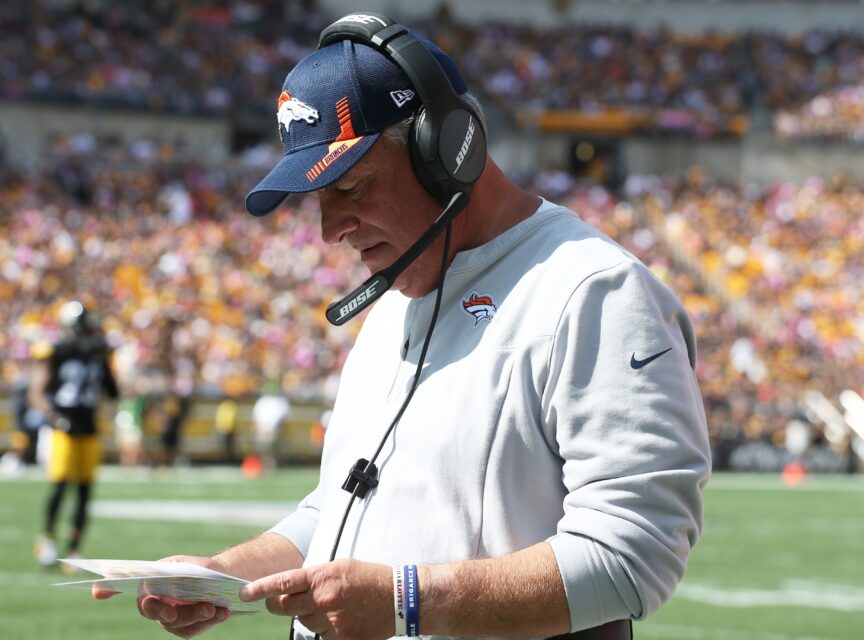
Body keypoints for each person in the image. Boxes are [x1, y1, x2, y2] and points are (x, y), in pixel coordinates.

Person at [95, 14, 710, 640]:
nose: (331, 228)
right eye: (319, 200)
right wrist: (226, 574)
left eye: (352, 187)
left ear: (446, 148)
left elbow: (636, 552)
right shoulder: (396, 298)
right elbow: (344, 511)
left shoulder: (595, 291)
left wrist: (405, 601)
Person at [32, 300, 119, 569]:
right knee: (60, 485)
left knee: (84, 491)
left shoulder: (98, 354)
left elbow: (112, 392)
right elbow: (36, 391)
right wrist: (54, 417)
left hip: (88, 428)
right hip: (63, 429)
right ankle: (47, 538)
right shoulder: (56, 352)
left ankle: (74, 550)